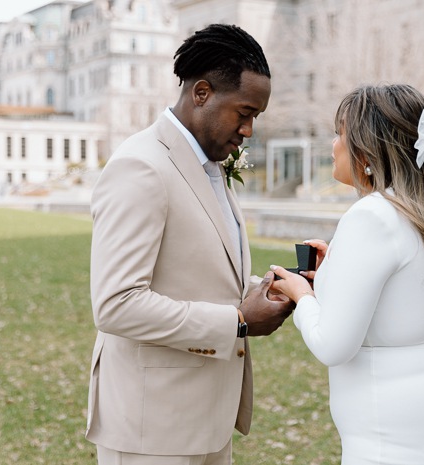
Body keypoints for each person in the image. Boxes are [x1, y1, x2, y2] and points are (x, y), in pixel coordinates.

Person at [85, 24, 294, 465]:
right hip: (152, 430)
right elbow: (116, 304)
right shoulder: (140, 167)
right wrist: (237, 321)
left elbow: (204, 273)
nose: (250, 130)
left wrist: (272, 289)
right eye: (244, 112)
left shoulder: (210, 164)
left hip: (207, 422)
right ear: (201, 93)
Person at [270, 84, 424, 464]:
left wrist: (303, 296)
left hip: (391, 435)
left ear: (366, 151)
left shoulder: (371, 217)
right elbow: (404, 292)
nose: (333, 145)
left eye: (339, 134)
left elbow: (333, 345)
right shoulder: (421, 209)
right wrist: (336, 269)